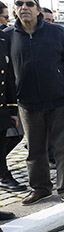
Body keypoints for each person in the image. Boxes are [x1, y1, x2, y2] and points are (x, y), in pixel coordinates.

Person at [5, 0, 64, 207]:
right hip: (27, 104)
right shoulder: (8, 36)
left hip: (59, 101)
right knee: (34, 150)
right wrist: (10, 107)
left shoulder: (56, 32)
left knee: (62, 148)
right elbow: (6, 75)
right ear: (14, 9)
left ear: (38, 9)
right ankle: (40, 188)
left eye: (29, 4)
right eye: (19, 3)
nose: (24, 7)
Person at [0, 29, 26, 193]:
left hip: (1, 106)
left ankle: (3, 176)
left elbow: (8, 76)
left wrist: (12, 109)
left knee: (2, 144)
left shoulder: (3, 38)